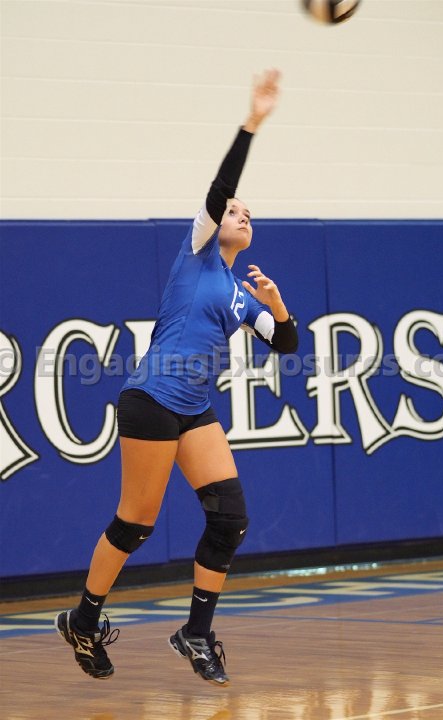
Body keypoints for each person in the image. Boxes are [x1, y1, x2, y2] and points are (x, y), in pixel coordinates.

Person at [55, 68, 297, 685]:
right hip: (152, 398)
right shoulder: (197, 252)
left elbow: (286, 344)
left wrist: (277, 307)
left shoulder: (241, 294)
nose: (241, 213)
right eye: (234, 210)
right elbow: (221, 187)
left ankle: (196, 633)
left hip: (193, 407)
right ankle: (83, 619)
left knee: (230, 518)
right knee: (136, 521)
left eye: (248, 212)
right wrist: (253, 121)